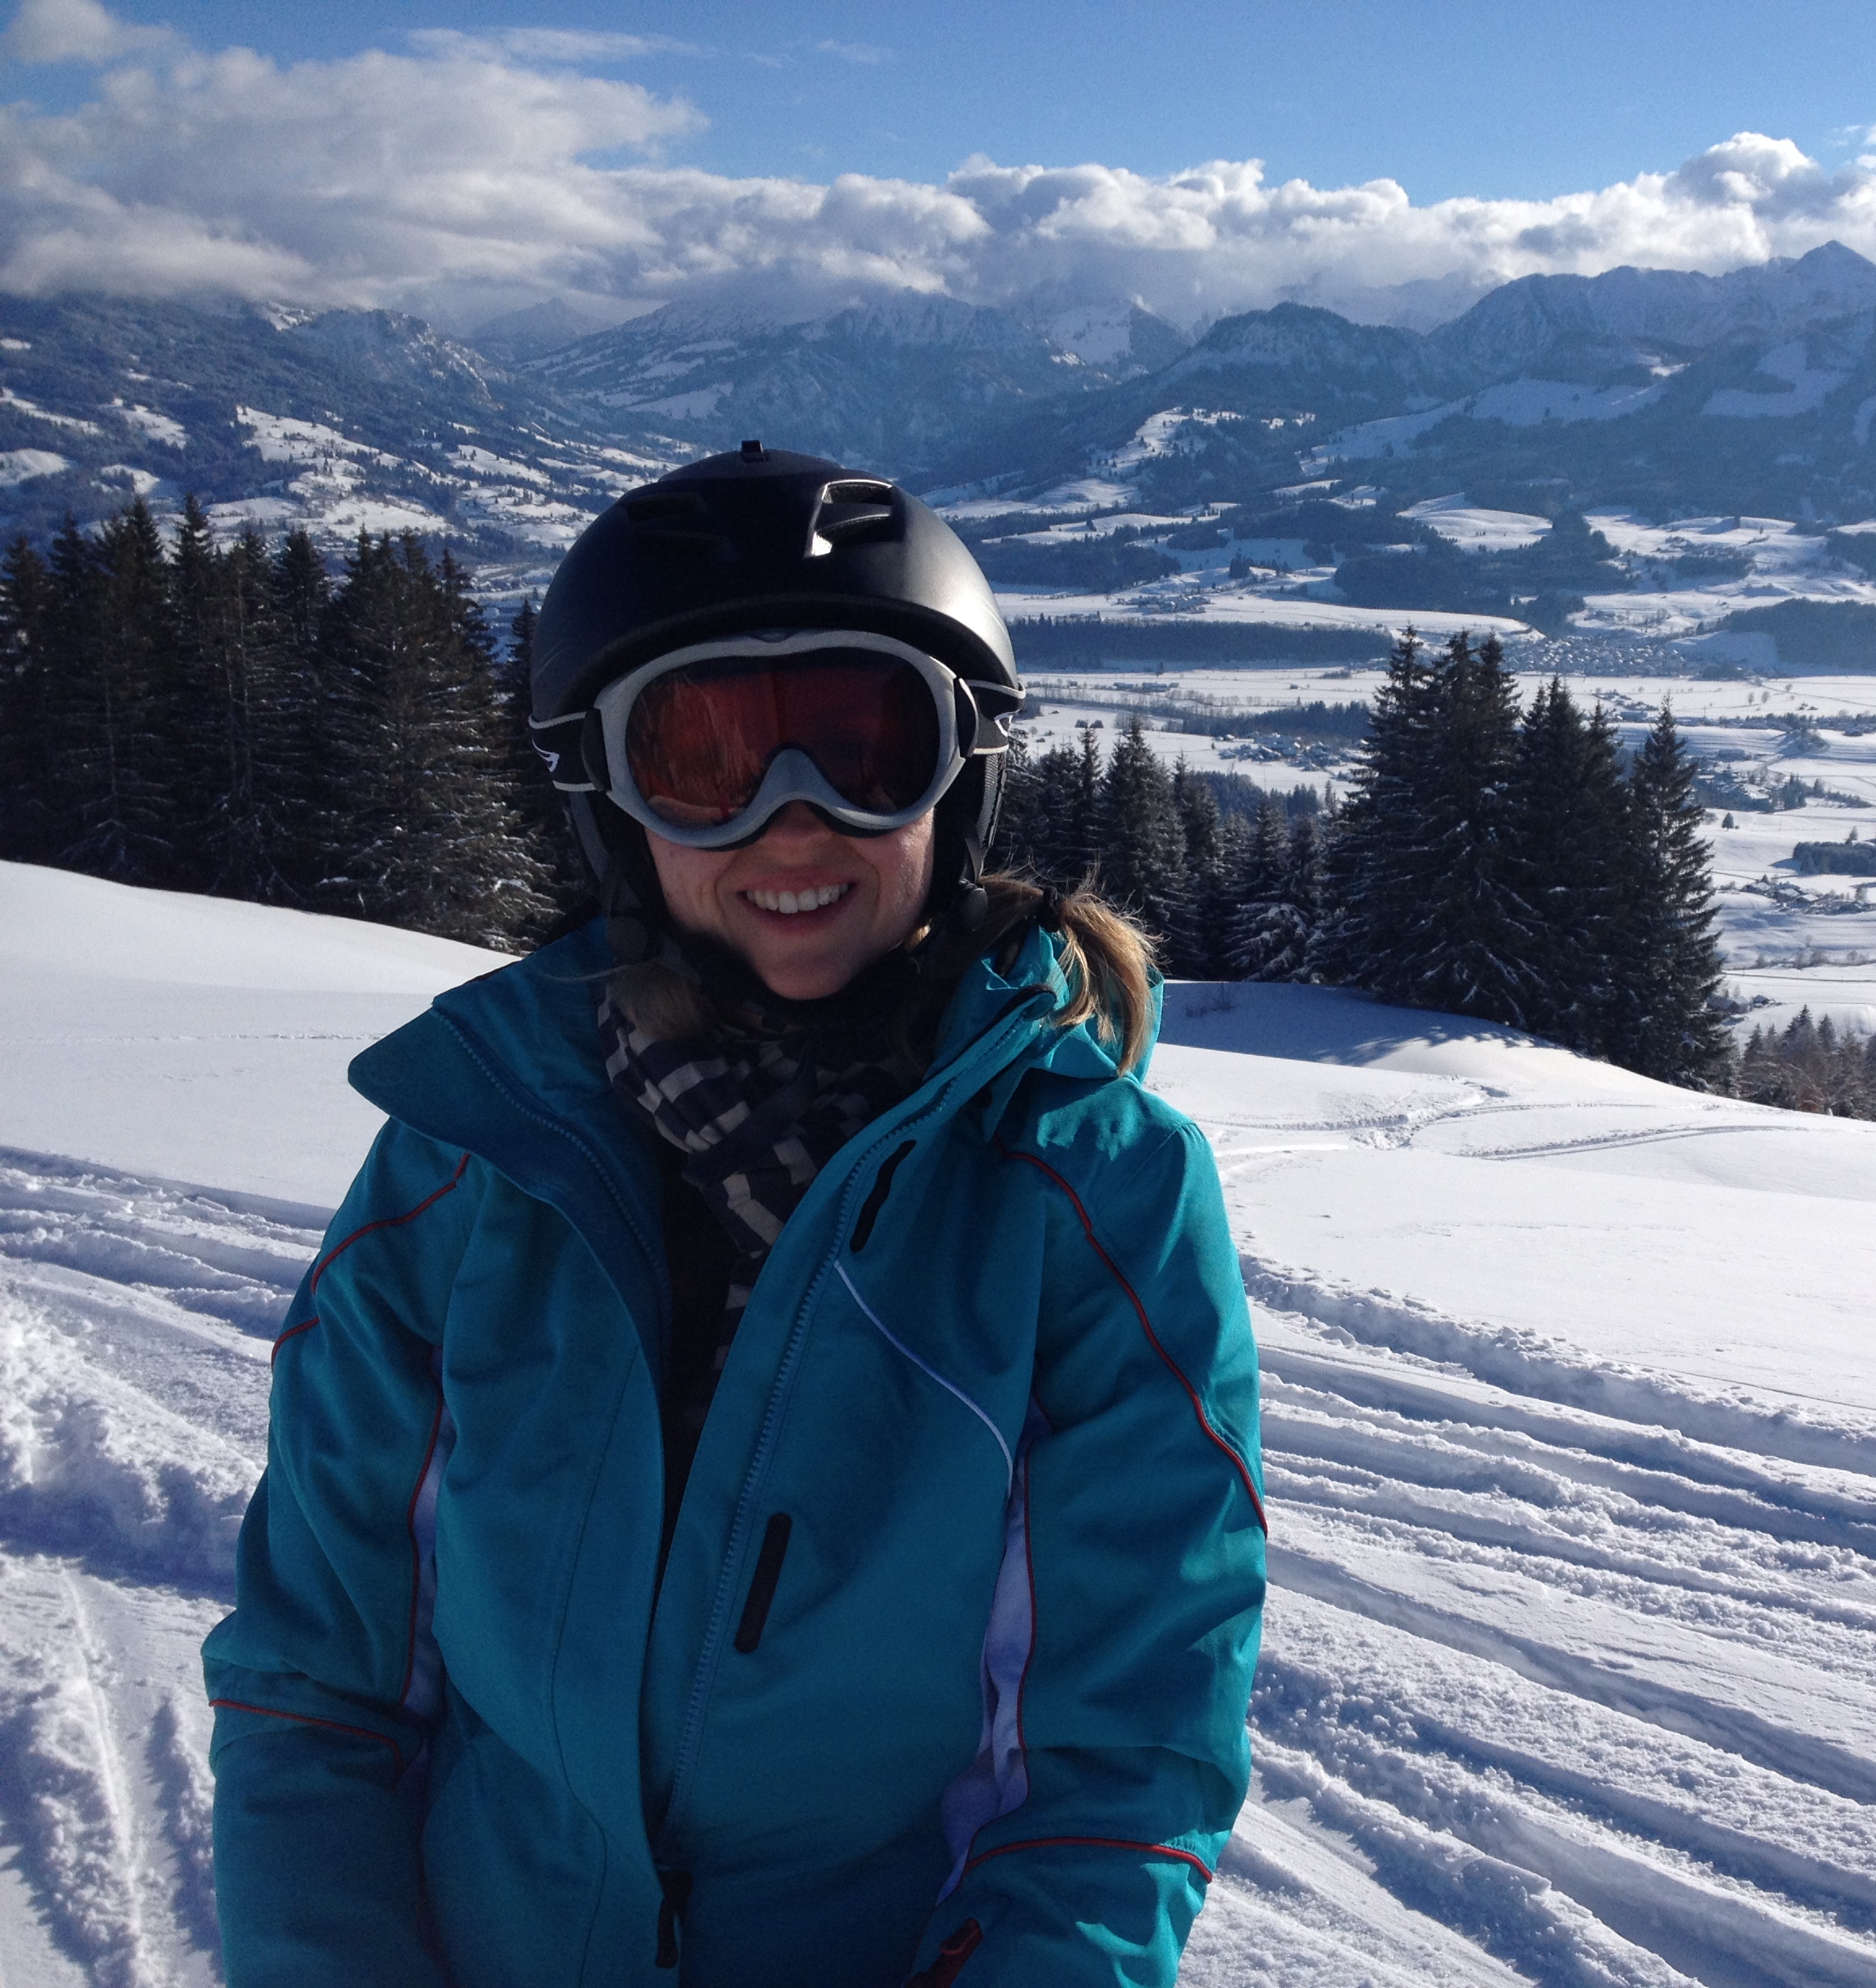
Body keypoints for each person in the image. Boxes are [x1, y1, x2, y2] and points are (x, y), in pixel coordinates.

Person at [201, 444, 1269, 1986]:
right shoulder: (472, 1162)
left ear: (960, 780)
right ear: (613, 810)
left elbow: (1123, 1762)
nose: (792, 821)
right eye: (704, 762)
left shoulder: (1088, 1194)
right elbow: (317, 1682)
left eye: (865, 750)